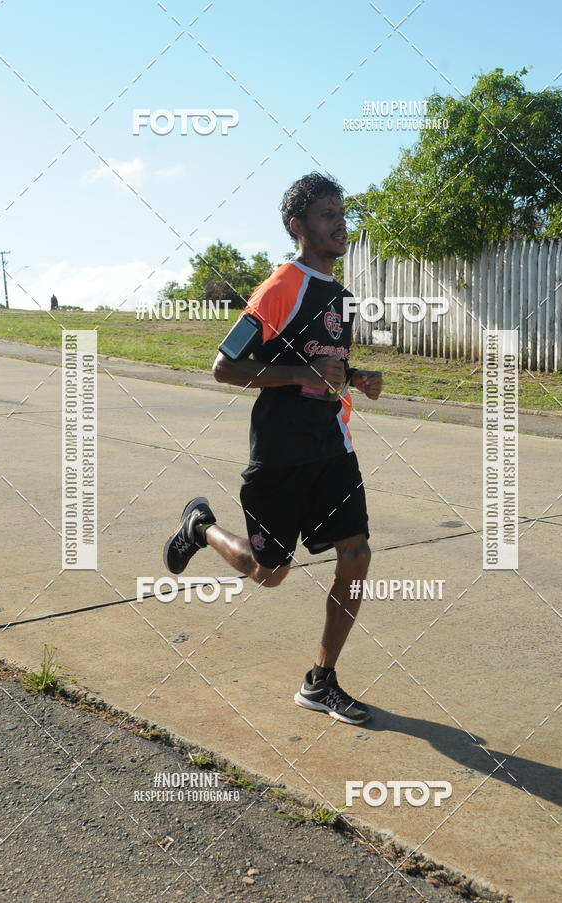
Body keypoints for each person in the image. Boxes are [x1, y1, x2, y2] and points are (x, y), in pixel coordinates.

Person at [163, 172, 382, 724]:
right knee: (270, 572)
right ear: (298, 226)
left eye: (341, 212)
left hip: (333, 445)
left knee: (356, 555)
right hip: (282, 454)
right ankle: (201, 528)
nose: (340, 223)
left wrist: (353, 376)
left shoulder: (341, 299)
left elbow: (321, 365)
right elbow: (224, 367)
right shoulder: (280, 287)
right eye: (327, 214)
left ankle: (320, 681)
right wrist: (302, 371)